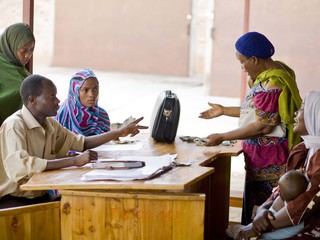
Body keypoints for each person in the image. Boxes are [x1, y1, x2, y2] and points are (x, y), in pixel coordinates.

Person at [199, 32, 302, 225]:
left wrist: (222, 136)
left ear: (254, 59)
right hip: (261, 159)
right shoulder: (276, 72)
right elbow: (258, 112)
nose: (242, 67)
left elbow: (263, 126)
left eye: (242, 62)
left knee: (263, 216)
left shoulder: (273, 83)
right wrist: (223, 110)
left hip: (271, 161)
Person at [0, 74, 148, 209]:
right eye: (52, 97)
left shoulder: (49, 123)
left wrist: (119, 132)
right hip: (13, 200)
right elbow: (21, 167)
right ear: (32, 100)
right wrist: (74, 161)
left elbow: (81, 143)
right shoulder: (14, 125)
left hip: (38, 196)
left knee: (83, 205)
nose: (58, 101)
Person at [232, 91, 320, 240]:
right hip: (285, 217)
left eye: (302, 109)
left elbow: (308, 203)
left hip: (310, 224)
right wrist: (262, 210)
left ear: (315, 117)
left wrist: (258, 227)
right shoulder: (306, 149)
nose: (295, 113)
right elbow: (283, 190)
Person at [226, 170, 308, 239]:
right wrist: (261, 209)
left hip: (261, 235)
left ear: (280, 193)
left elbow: (263, 224)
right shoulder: (303, 211)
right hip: (268, 233)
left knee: (231, 230)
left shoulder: (282, 203)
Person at [55, 69, 111, 136]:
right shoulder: (63, 115)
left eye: (95, 89)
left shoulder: (102, 116)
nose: (91, 94)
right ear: (75, 92)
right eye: (85, 90)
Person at [0, 22, 35, 125]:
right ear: (10, 46)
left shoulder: (19, 68)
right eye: (23, 51)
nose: (28, 55)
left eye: (31, 50)